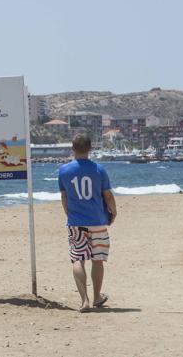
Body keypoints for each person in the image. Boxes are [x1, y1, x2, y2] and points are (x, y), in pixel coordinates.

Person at [58, 133, 117, 313]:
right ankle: (97, 296)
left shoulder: (64, 171)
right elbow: (107, 194)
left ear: (73, 149)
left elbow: (64, 197)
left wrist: (69, 214)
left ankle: (84, 300)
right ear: (91, 148)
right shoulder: (99, 169)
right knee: (97, 260)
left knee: (78, 258)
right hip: (97, 220)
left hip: (76, 221)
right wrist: (113, 211)